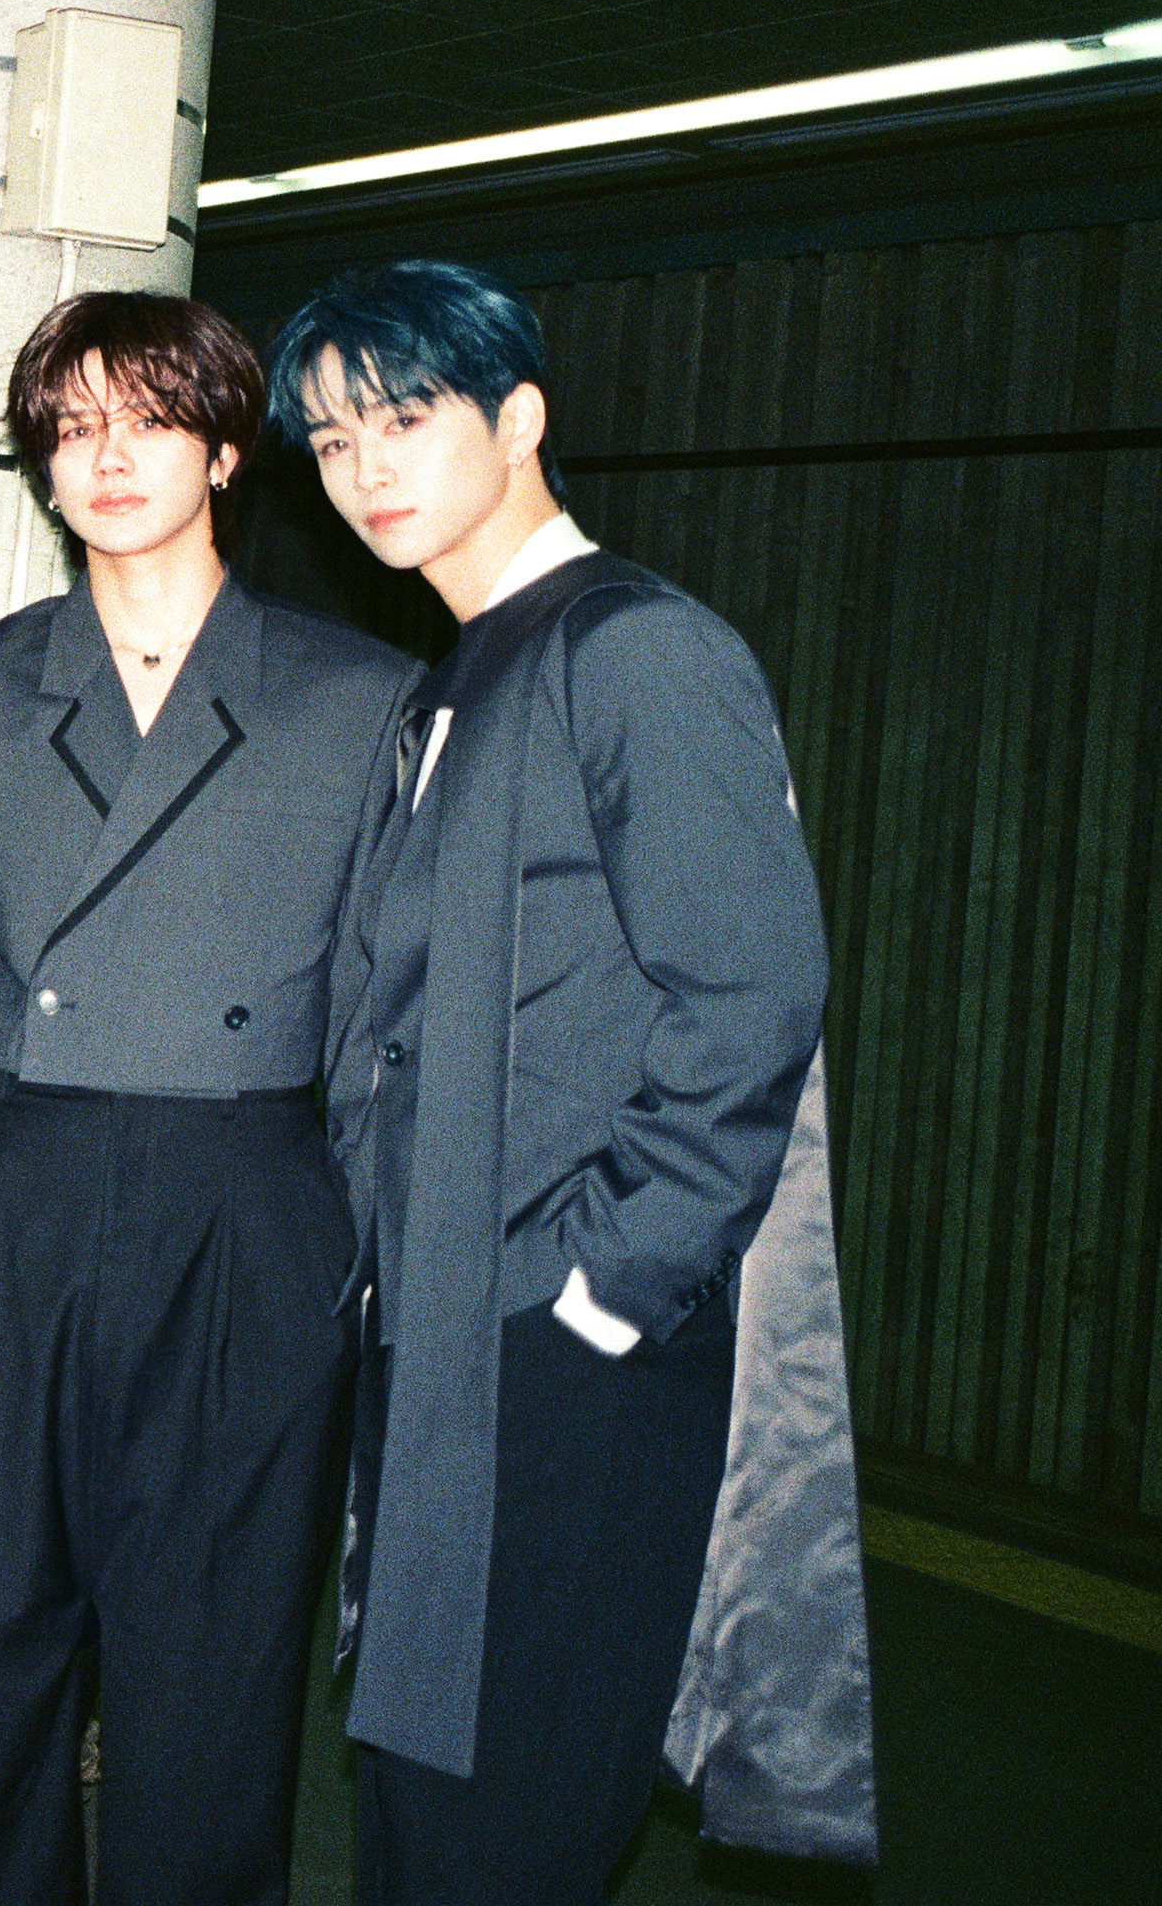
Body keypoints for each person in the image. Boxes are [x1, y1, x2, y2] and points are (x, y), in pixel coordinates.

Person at [275, 259, 873, 1903]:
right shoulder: (460, 670)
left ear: (520, 417)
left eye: (404, 418)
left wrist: (602, 1290)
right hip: (440, 1326)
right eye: (332, 442)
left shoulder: (637, 649)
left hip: (559, 1340)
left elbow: (750, 997)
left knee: (513, 1813)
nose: (366, 468)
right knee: (423, 1803)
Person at [0, 290, 413, 1906]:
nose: (107, 456)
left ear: (228, 452)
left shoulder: (354, 697)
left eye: (151, 420)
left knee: (211, 1683)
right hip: (6, 1197)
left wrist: (344, 1255)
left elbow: (382, 1016)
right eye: (74, 426)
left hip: (241, 1207)